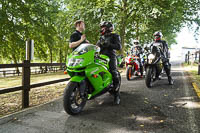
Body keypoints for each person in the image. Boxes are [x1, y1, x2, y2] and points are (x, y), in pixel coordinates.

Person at [96, 21, 122, 105]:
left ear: (108, 28)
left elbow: (118, 47)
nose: (102, 29)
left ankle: (117, 95)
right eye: (101, 27)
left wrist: (109, 44)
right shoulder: (101, 37)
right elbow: (96, 47)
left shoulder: (115, 36)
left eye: (103, 27)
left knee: (114, 72)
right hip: (101, 57)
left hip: (111, 56)